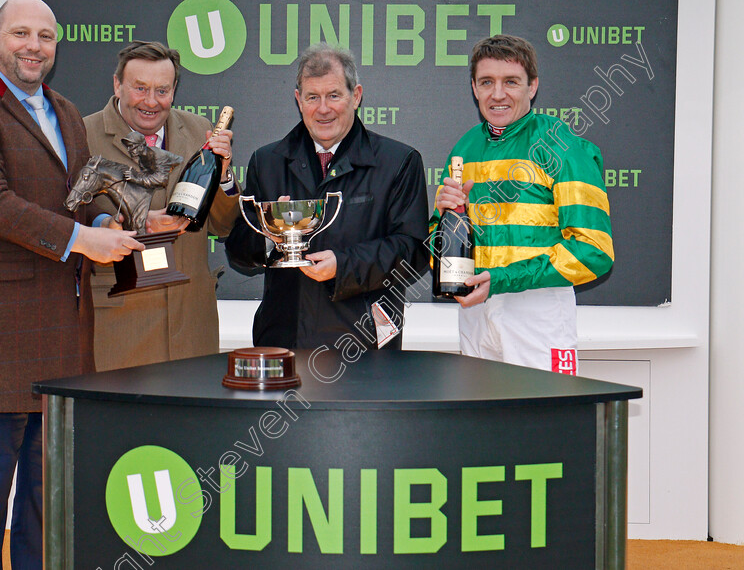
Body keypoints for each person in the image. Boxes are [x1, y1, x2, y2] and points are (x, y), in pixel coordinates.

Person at [0, 0, 142, 569]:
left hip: (62, 337)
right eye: (20, 33)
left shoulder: (66, 111)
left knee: (45, 504)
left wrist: (99, 219)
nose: (34, 46)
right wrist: (80, 241)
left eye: (45, 36)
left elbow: (77, 190)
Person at [429, 34, 614, 372]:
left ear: (533, 87)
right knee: (479, 423)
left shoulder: (563, 146)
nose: (497, 94)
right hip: (474, 312)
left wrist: (501, 280)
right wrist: (441, 220)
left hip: (538, 312)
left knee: (543, 422)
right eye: (487, 82)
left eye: (510, 82)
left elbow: (595, 250)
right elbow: (438, 250)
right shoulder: (464, 148)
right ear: (474, 88)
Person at [225, 44, 429, 351]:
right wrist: (270, 234)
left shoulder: (399, 162)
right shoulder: (266, 161)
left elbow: (411, 251)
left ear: (356, 96)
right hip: (283, 341)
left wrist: (343, 265)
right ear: (298, 100)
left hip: (363, 342)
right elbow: (238, 250)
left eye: (334, 95)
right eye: (312, 97)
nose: (323, 108)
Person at [84, 41, 239, 370]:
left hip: (192, 330)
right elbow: (71, 217)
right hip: (119, 332)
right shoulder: (83, 135)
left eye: (162, 90)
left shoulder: (200, 130)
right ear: (117, 85)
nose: (151, 102)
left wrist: (224, 177)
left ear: (174, 90)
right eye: (140, 88)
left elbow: (224, 226)